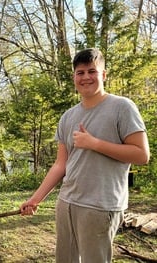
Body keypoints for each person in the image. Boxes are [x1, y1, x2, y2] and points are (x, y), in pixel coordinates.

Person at [20, 48, 150, 263]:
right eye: (80, 72)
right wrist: (35, 199)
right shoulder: (68, 117)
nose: (86, 77)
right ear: (74, 77)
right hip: (67, 202)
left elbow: (141, 155)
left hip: (100, 206)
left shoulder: (122, 107)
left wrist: (95, 143)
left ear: (104, 75)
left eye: (92, 71)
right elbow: (60, 165)